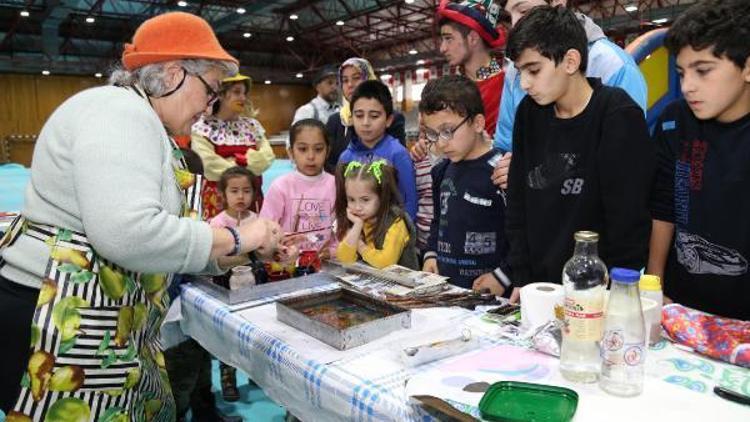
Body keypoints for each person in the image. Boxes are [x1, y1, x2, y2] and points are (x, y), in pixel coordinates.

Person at [0, 12, 283, 420]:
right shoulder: (118, 112)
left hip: (95, 319)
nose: (209, 106)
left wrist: (246, 249)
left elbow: (165, 241)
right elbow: (128, 233)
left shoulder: (147, 126)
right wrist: (237, 239)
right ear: (172, 74)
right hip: (58, 323)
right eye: (210, 91)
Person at [503, 6, 654, 301]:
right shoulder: (528, 114)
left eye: (534, 70)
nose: (524, 83)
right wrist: (521, 278)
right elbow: (518, 202)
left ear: (571, 60)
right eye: (520, 71)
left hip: (598, 291)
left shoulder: (617, 115)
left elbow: (629, 219)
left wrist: (620, 290)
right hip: (539, 287)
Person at [649, 0, 750, 321]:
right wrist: (653, 285)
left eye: (703, 71)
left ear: (747, 67)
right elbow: (662, 206)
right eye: (681, 72)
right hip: (681, 306)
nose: (687, 86)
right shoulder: (674, 121)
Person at [491, 0, 648, 190]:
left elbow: (627, 161)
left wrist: (535, 171)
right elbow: (505, 145)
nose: (515, 24)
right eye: (508, 17)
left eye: (523, 10)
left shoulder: (614, 66)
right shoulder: (516, 72)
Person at [420, 75, 511, 292]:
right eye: (433, 134)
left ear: (478, 123)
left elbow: (525, 236)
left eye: (448, 131)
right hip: (448, 290)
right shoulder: (441, 171)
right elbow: (438, 221)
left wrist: (504, 276)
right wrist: (431, 254)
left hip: (492, 294)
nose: (441, 143)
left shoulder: (503, 171)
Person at [192, 73, 275, 219]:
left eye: (244, 93)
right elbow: (208, 166)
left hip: (252, 197)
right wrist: (248, 164)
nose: (243, 98)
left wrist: (234, 162)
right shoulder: (202, 128)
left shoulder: (252, 126)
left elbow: (267, 158)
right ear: (220, 94)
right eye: (237, 92)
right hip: (218, 200)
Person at [338, 80, 418, 222]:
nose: (365, 122)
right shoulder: (345, 157)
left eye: (374, 116)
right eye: (359, 115)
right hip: (356, 235)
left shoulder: (398, 154)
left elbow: (409, 203)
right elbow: (341, 203)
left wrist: (402, 236)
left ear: (388, 120)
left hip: (390, 236)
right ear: (351, 118)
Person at [261, 119, 337, 257]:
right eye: (302, 149)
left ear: (328, 151)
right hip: (287, 261)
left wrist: (332, 251)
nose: (311, 156)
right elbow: (265, 230)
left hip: (326, 262)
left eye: (318, 149)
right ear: (291, 152)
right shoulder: (281, 186)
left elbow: (342, 230)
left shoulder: (336, 185)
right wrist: (279, 249)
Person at [437, 0, 507, 138]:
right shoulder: (449, 89)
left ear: (473, 38)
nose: (442, 48)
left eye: (448, 38)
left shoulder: (508, 86)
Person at [325, 58, 406, 173]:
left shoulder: (392, 118)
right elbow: (329, 162)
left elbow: (397, 165)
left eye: (356, 78)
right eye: (345, 80)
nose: (350, 85)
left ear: (369, 78)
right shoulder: (335, 121)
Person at [335, 160, 419, 270]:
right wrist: (356, 227)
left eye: (365, 200)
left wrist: (360, 246)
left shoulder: (396, 221)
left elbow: (386, 263)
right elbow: (344, 259)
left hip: (404, 283)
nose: (357, 207)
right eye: (351, 199)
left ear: (382, 197)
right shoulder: (356, 220)